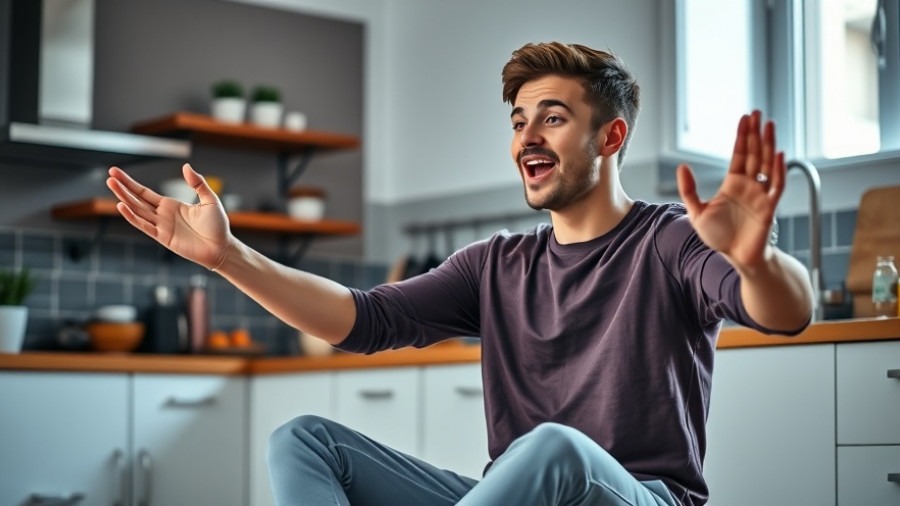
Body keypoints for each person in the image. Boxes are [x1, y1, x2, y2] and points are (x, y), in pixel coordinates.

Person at [107, 41, 813, 506]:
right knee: (303, 439)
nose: (527, 136)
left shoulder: (670, 240)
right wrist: (229, 257)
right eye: (518, 121)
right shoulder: (496, 264)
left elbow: (787, 312)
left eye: (552, 118)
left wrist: (755, 260)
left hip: (639, 496)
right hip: (517, 493)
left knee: (554, 446)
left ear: (611, 136)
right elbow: (363, 321)